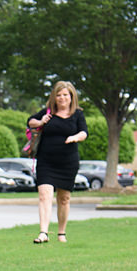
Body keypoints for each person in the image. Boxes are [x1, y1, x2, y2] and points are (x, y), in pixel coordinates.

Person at [27, 81, 88, 244]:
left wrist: (75, 137)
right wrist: (41, 122)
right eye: (58, 95)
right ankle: (43, 233)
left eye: (65, 95)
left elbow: (84, 132)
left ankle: (61, 233)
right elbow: (30, 121)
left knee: (64, 198)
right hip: (46, 160)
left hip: (68, 161)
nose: (61, 98)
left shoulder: (78, 114)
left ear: (71, 96)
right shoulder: (48, 112)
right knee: (44, 195)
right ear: (54, 97)